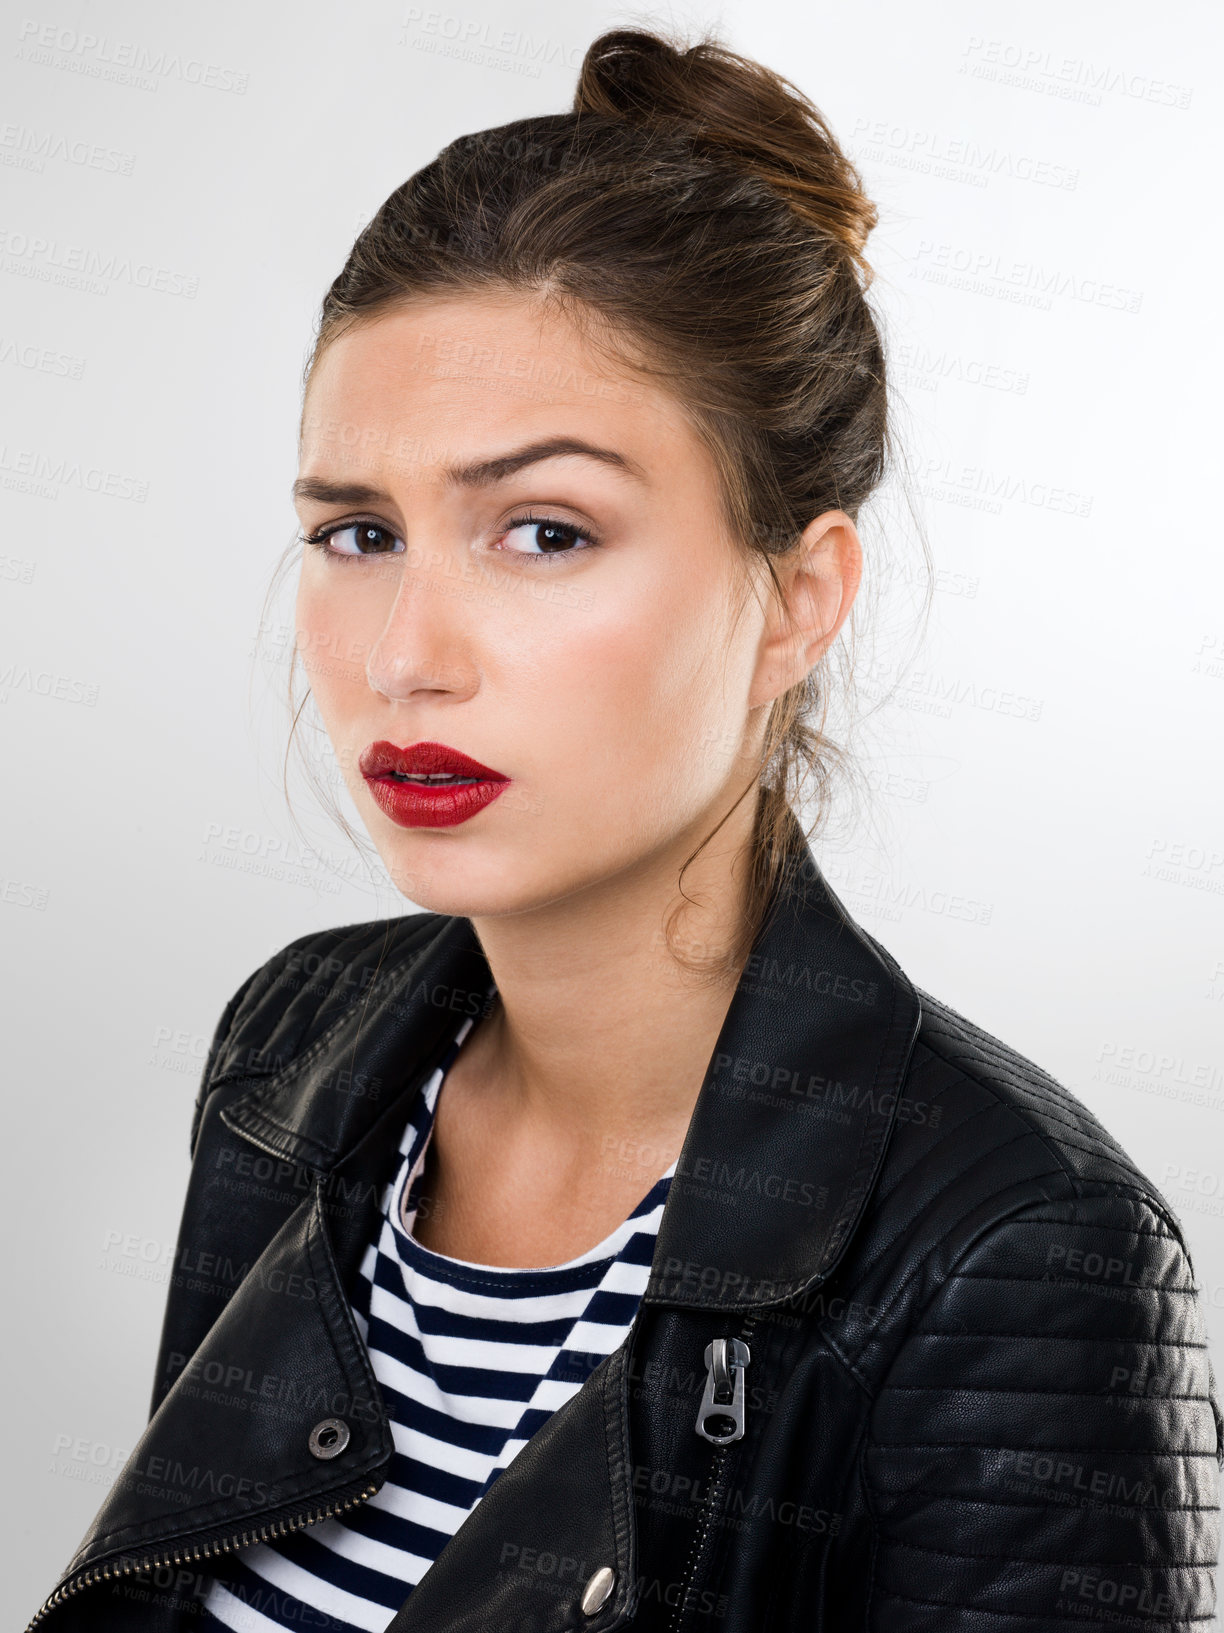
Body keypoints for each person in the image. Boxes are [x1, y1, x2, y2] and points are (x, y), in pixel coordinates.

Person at [29, 25, 1221, 1633]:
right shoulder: (294, 1050)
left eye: (543, 530)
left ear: (798, 596)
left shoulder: (1018, 1249)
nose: (404, 656)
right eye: (357, 531)